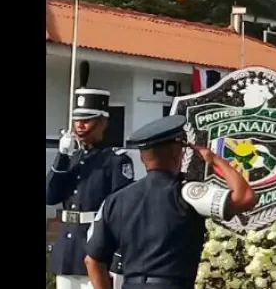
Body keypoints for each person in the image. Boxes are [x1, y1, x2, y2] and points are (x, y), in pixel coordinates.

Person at [83, 114, 257, 289]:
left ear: (143, 158)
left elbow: (92, 260)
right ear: (176, 152)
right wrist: (214, 159)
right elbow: (245, 198)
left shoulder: (116, 200)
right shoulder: (186, 193)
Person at [46, 87, 135, 289]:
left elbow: (121, 211)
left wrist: (117, 252)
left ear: (102, 122)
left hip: (97, 250)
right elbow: (50, 196)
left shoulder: (115, 161)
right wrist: (61, 157)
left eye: (87, 120)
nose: (80, 125)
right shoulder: (72, 158)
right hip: (68, 249)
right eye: (77, 120)